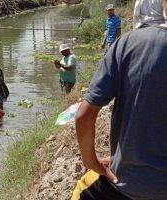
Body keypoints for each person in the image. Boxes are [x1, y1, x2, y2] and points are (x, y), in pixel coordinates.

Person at [72, 1, 167, 199]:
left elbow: (84, 115)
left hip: (129, 185)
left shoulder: (127, 44)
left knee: (81, 189)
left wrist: (93, 163)